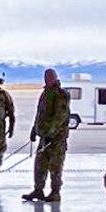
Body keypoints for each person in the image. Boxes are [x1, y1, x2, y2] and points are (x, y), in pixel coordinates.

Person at [23, 68, 70, 203]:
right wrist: (34, 129)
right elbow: (40, 114)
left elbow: (60, 117)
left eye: (50, 76)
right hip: (44, 138)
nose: (47, 79)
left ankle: (55, 192)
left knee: (55, 166)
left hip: (57, 139)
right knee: (39, 165)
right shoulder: (45, 94)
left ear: (55, 78)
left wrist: (51, 133)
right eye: (46, 76)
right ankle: (38, 190)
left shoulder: (61, 94)